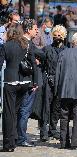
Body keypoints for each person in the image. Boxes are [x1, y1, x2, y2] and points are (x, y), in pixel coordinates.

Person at [0, 23, 37, 152]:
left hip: (10, 82)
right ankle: (14, 138)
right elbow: (33, 64)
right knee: (15, 112)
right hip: (24, 83)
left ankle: (8, 144)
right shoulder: (25, 45)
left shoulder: (6, 46)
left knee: (8, 114)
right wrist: (35, 82)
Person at [39, 25, 67, 141]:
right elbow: (40, 64)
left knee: (56, 106)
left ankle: (53, 129)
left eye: (60, 35)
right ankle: (43, 131)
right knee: (45, 106)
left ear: (64, 36)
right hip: (48, 81)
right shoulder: (47, 49)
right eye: (55, 34)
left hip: (60, 82)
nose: (57, 36)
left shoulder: (66, 51)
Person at [17, 18, 41, 147]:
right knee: (24, 111)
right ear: (28, 29)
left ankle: (17, 136)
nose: (37, 31)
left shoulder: (17, 42)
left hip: (17, 81)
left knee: (19, 110)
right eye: (35, 29)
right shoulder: (29, 44)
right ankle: (21, 138)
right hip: (28, 82)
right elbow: (35, 61)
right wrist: (36, 83)